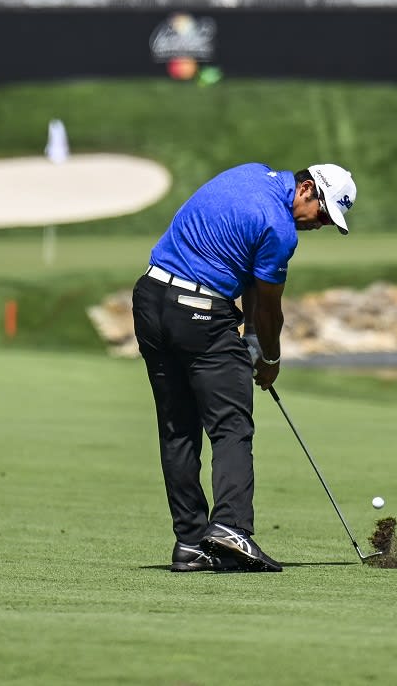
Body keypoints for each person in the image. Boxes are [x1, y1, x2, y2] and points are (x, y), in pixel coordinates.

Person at [134, 162, 357, 574]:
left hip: (150, 299)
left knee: (178, 428)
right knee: (231, 426)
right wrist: (268, 358)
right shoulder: (280, 228)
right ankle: (231, 527)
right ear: (307, 188)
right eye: (323, 214)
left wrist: (251, 338)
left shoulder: (249, 172)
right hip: (201, 314)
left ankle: (189, 544)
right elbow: (270, 307)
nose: (320, 224)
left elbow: (252, 283)